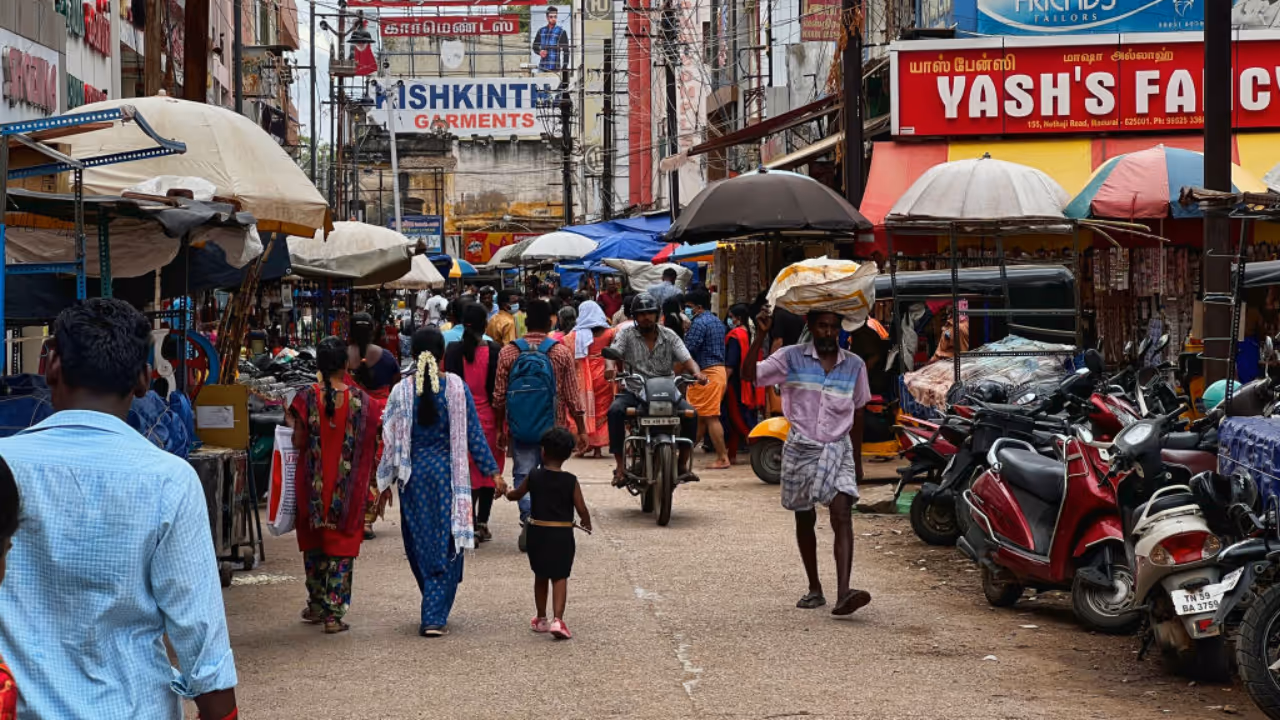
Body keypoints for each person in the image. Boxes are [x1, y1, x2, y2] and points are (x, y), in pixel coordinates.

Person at [0, 298, 238, 719]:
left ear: (51, 365)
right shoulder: (169, 480)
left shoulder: (6, 463)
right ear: (145, 380)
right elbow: (201, 636)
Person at [744, 308, 872, 617]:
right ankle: (815, 587)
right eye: (822, 326)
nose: (828, 332)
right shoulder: (790, 358)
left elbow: (858, 412)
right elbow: (751, 375)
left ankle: (844, 592)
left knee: (842, 512)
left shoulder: (854, 366)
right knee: (805, 517)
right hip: (801, 447)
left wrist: (856, 460)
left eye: (833, 327)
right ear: (811, 327)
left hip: (837, 447)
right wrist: (761, 334)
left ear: (840, 329)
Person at [378, 328, 501, 636]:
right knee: (447, 542)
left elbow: (389, 441)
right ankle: (434, 613)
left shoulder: (401, 392)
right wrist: (493, 473)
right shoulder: (456, 389)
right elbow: (474, 435)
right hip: (449, 478)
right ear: (443, 354)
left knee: (420, 542)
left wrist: (380, 482)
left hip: (413, 480)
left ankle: (432, 602)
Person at [288, 337, 379, 633]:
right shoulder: (363, 402)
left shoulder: (305, 397)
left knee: (314, 546)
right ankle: (333, 615)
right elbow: (372, 443)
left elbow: (298, 441)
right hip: (347, 490)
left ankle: (316, 605)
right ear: (345, 364)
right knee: (341, 549)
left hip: (312, 486)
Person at [493, 299, 589, 549]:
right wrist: (581, 429)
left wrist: (500, 428)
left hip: (520, 426)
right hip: (552, 427)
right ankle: (548, 521)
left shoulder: (509, 351)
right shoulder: (559, 351)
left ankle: (528, 519)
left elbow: (499, 396)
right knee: (552, 473)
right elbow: (570, 394)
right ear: (550, 322)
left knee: (524, 473)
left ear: (525, 323)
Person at [607, 293, 706, 486]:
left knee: (691, 414)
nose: (646, 317)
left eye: (650, 313)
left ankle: (682, 464)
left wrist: (697, 373)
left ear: (657, 314)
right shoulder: (625, 335)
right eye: (641, 314)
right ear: (634, 316)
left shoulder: (669, 335)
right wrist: (609, 368)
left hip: (666, 390)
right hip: (635, 391)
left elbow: (687, 359)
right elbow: (613, 353)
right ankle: (620, 466)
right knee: (615, 411)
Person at [505, 427, 592, 640]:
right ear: (568, 454)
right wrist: (586, 522)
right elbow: (581, 507)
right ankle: (559, 620)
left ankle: (541, 618)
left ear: (543, 451)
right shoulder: (570, 480)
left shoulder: (534, 476)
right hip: (562, 535)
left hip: (538, 533)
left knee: (541, 575)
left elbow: (516, 495)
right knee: (560, 576)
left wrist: (506, 491)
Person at [444, 303, 505, 543]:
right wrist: (502, 426)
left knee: (464, 472)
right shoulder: (495, 350)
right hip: (489, 420)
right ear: (485, 324)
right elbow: (499, 393)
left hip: (459, 419)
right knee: (489, 470)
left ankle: (465, 521)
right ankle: (482, 522)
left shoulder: (451, 351)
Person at [348, 312, 399, 539]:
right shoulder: (387, 357)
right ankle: (367, 521)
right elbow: (396, 387)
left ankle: (351, 518)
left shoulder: (341, 356)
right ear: (373, 329)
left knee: (353, 467)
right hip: (380, 417)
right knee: (375, 468)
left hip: (352, 415)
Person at [682, 289, 731, 469]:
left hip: (706, 374)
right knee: (701, 418)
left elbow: (687, 351)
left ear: (698, 307)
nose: (686, 311)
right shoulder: (717, 322)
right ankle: (684, 456)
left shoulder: (699, 323)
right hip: (718, 371)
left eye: (688, 307)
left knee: (710, 417)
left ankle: (722, 457)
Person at [564, 300, 615, 457]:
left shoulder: (575, 335)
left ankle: (585, 444)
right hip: (603, 373)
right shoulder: (610, 333)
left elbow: (566, 348)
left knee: (584, 409)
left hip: (583, 375)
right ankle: (598, 449)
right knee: (602, 410)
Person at [723, 303, 765, 464]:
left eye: (731, 317)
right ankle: (731, 455)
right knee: (738, 419)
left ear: (738, 318)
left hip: (736, 383)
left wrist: (723, 383)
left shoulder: (735, 335)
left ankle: (758, 446)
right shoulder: (750, 333)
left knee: (737, 418)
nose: (729, 320)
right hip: (748, 382)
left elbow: (731, 364)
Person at [533, 6, 570, 72]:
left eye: (555, 16)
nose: (553, 19)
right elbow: (534, 46)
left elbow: (566, 51)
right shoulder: (541, 31)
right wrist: (540, 52)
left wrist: (564, 66)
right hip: (542, 67)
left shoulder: (561, 32)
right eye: (551, 17)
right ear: (547, 17)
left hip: (555, 68)